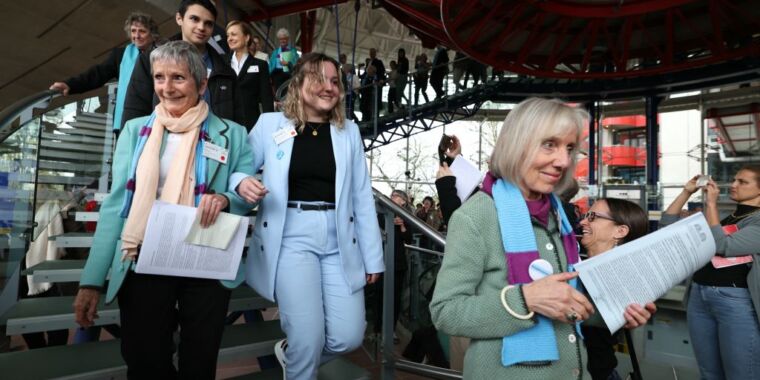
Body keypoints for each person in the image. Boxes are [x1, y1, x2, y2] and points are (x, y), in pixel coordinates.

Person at [429, 98, 653, 379]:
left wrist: (618, 312)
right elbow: (446, 312)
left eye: (569, 148)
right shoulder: (477, 217)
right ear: (517, 144)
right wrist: (525, 300)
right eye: (550, 144)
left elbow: (564, 302)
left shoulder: (556, 215)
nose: (563, 161)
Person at [72, 41, 254, 379]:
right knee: (144, 360)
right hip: (144, 255)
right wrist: (91, 281)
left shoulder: (233, 135)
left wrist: (228, 198)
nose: (166, 88)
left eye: (178, 78)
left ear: (202, 85)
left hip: (205, 257)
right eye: (159, 77)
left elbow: (246, 195)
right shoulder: (133, 131)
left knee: (199, 363)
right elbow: (116, 206)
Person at [232, 52, 384, 380]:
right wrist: (241, 181)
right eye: (318, 79)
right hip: (290, 236)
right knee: (307, 335)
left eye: (334, 81)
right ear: (299, 84)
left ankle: (296, 355)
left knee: (348, 336)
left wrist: (373, 258)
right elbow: (238, 169)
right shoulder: (271, 125)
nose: (328, 87)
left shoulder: (349, 132)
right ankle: (301, 357)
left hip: (339, 239)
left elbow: (361, 197)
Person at [660, 167, 760, 379]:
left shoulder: (756, 221)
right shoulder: (725, 219)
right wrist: (686, 192)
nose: (733, 185)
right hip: (699, 296)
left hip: (735, 302)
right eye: (734, 179)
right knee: (709, 372)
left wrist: (711, 205)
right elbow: (667, 225)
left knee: (742, 373)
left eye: (742, 182)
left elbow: (723, 246)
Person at [122, 0, 236, 129]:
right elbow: (134, 110)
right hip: (160, 143)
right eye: (194, 19)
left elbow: (237, 121)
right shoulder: (151, 59)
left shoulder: (225, 71)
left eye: (208, 23)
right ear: (179, 18)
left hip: (213, 144)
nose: (201, 27)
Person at [578, 198, 652, 380]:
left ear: (620, 231)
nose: (583, 221)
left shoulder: (625, 277)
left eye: (593, 216)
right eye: (586, 215)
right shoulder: (577, 261)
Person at [49, 12, 158, 132]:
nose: (136, 36)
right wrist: (69, 84)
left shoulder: (162, 55)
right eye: (133, 31)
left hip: (153, 120)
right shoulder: (120, 55)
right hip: (125, 120)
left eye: (142, 31)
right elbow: (98, 74)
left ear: (152, 35)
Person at [226, 20, 274, 131]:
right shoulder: (222, 63)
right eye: (228, 35)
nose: (229, 38)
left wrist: (269, 125)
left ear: (247, 37)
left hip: (251, 123)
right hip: (225, 124)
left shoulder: (260, 65)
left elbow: (266, 98)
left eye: (234, 34)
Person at [269, 28, 299, 95]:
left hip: (288, 75)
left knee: (287, 95)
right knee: (277, 94)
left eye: (284, 39)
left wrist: (288, 63)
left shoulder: (292, 51)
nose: (282, 41)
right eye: (281, 39)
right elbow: (270, 65)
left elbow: (297, 63)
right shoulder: (275, 51)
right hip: (276, 76)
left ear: (288, 39)